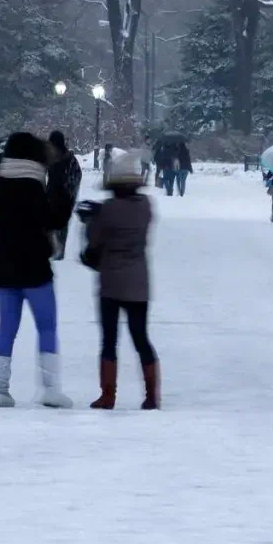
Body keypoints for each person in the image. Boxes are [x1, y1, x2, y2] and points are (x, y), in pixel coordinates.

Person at [0, 132, 69, 406]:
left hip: (3, 265)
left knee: (6, 327)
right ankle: (49, 388)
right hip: (34, 266)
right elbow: (53, 219)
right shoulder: (34, 186)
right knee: (47, 325)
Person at [79, 150, 159, 408]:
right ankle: (151, 395)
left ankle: (108, 395)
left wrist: (89, 222)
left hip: (111, 283)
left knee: (109, 340)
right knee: (140, 337)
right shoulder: (146, 207)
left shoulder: (108, 210)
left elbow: (92, 249)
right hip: (139, 282)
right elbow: (127, 217)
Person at [46, 129, 82, 254]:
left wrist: (69, 191)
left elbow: (77, 177)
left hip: (62, 198)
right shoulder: (53, 158)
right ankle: (54, 250)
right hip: (54, 197)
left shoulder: (68, 159)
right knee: (53, 225)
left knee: (59, 225)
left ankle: (58, 252)